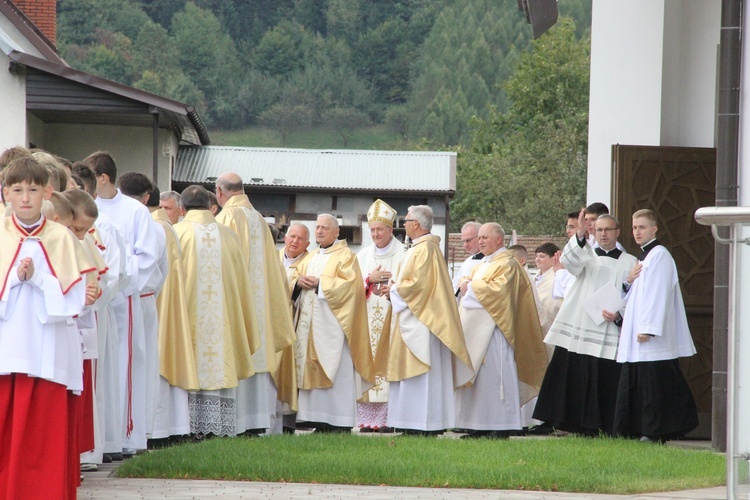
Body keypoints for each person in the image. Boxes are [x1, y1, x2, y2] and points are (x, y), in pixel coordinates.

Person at [0, 157, 98, 499]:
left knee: (44, 433)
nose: (25, 198)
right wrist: (15, 276)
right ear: (5, 194)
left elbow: (73, 302)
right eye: (17, 190)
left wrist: (39, 278)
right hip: (7, 347)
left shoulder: (62, 237)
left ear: (47, 192)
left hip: (47, 348)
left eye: (32, 189)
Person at [84, 151, 163, 455]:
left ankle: (127, 436)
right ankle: (102, 437)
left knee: (125, 365)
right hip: (94, 298)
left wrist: (118, 281)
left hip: (122, 298)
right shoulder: (87, 207)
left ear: (102, 177)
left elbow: (147, 256)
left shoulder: (134, 211)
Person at [533, 211, 637, 436]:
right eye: (599, 230)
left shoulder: (631, 262)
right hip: (582, 323)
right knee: (576, 374)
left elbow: (634, 295)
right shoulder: (586, 255)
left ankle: (610, 426)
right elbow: (570, 263)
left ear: (617, 232)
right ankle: (575, 424)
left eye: (608, 230)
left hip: (610, 326)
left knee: (608, 377)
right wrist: (580, 233)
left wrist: (620, 315)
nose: (603, 234)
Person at [173, 185, 260, 436]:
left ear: (182, 209)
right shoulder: (228, 235)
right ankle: (217, 427)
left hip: (188, 317)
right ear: (211, 206)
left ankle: (185, 426)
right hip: (223, 320)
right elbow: (241, 286)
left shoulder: (177, 233)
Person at [214, 172, 296, 435]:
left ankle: (239, 422)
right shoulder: (259, 219)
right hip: (261, 306)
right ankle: (258, 420)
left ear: (219, 192)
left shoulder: (227, 216)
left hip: (240, 303)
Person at [386, 205, 473, 435]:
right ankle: (411, 422)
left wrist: (393, 291)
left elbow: (419, 286)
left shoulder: (425, 250)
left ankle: (423, 424)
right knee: (416, 375)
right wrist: (392, 291)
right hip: (415, 317)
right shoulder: (420, 249)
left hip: (423, 322)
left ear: (417, 224)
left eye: (406, 221)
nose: (403, 225)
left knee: (422, 374)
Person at [455, 223, 548, 439]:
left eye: (485, 237)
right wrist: (466, 282)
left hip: (497, 332)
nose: (481, 241)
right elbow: (466, 284)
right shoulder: (482, 265)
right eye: (479, 237)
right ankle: (480, 425)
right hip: (477, 331)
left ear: (499, 240)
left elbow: (499, 292)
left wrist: (471, 286)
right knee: (481, 381)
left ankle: (501, 425)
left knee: (497, 379)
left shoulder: (507, 263)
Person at [614, 209, 698, 443]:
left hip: (651, 336)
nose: (637, 232)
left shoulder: (659, 255)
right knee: (642, 382)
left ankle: (654, 430)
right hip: (639, 335)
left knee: (655, 385)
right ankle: (641, 429)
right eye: (634, 227)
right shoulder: (643, 258)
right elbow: (635, 295)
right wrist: (628, 280)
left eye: (642, 227)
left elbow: (657, 294)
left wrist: (648, 327)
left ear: (654, 228)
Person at [291, 214, 375, 433]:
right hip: (309, 327)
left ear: (337, 232)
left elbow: (350, 288)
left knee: (337, 371)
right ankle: (315, 419)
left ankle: (338, 421)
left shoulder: (346, 256)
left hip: (333, 328)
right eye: (317, 227)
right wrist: (298, 283)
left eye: (324, 228)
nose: (319, 231)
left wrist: (321, 284)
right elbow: (294, 277)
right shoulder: (309, 257)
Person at [116, 173, 168, 443]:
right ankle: (141, 429)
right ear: (147, 196)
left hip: (128, 297)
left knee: (132, 365)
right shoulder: (156, 227)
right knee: (141, 366)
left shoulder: (113, 216)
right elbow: (163, 269)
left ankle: (131, 430)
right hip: (143, 297)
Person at [147, 185, 194, 442]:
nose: (164, 211)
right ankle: (173, 427)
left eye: (169, 208)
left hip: (158, 302)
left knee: (159, 366)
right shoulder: (169, 229)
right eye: (162, 207)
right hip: (169, 301)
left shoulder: (157, 228)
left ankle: (159, 429)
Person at [356, 199, 405, 433]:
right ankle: (367, 420)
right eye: (372, 230)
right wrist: (368, 281)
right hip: (366, 318)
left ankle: (388, 419)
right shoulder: (363, 254)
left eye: (380, 230)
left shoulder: (404, 253)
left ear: (391, 229)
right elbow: (351, 284)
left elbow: (410, 284)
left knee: (388, 365)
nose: (375, 234)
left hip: (392, 318)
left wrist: (390, 288)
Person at [277, 222, 312, 433]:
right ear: (285, 237)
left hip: (297, 325)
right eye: (292, 236)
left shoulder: (311, 261)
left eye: (300, 239)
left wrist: (296, 285)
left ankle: (289, 421)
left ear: (307, 243)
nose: (295, 241)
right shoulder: (275, 257)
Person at [453, 221, 483, 300]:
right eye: (463, 241)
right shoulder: (467, 261)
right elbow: (455, 284)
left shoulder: (492, 260)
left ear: (480, 237)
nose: (465, 245)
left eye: (468, 240)